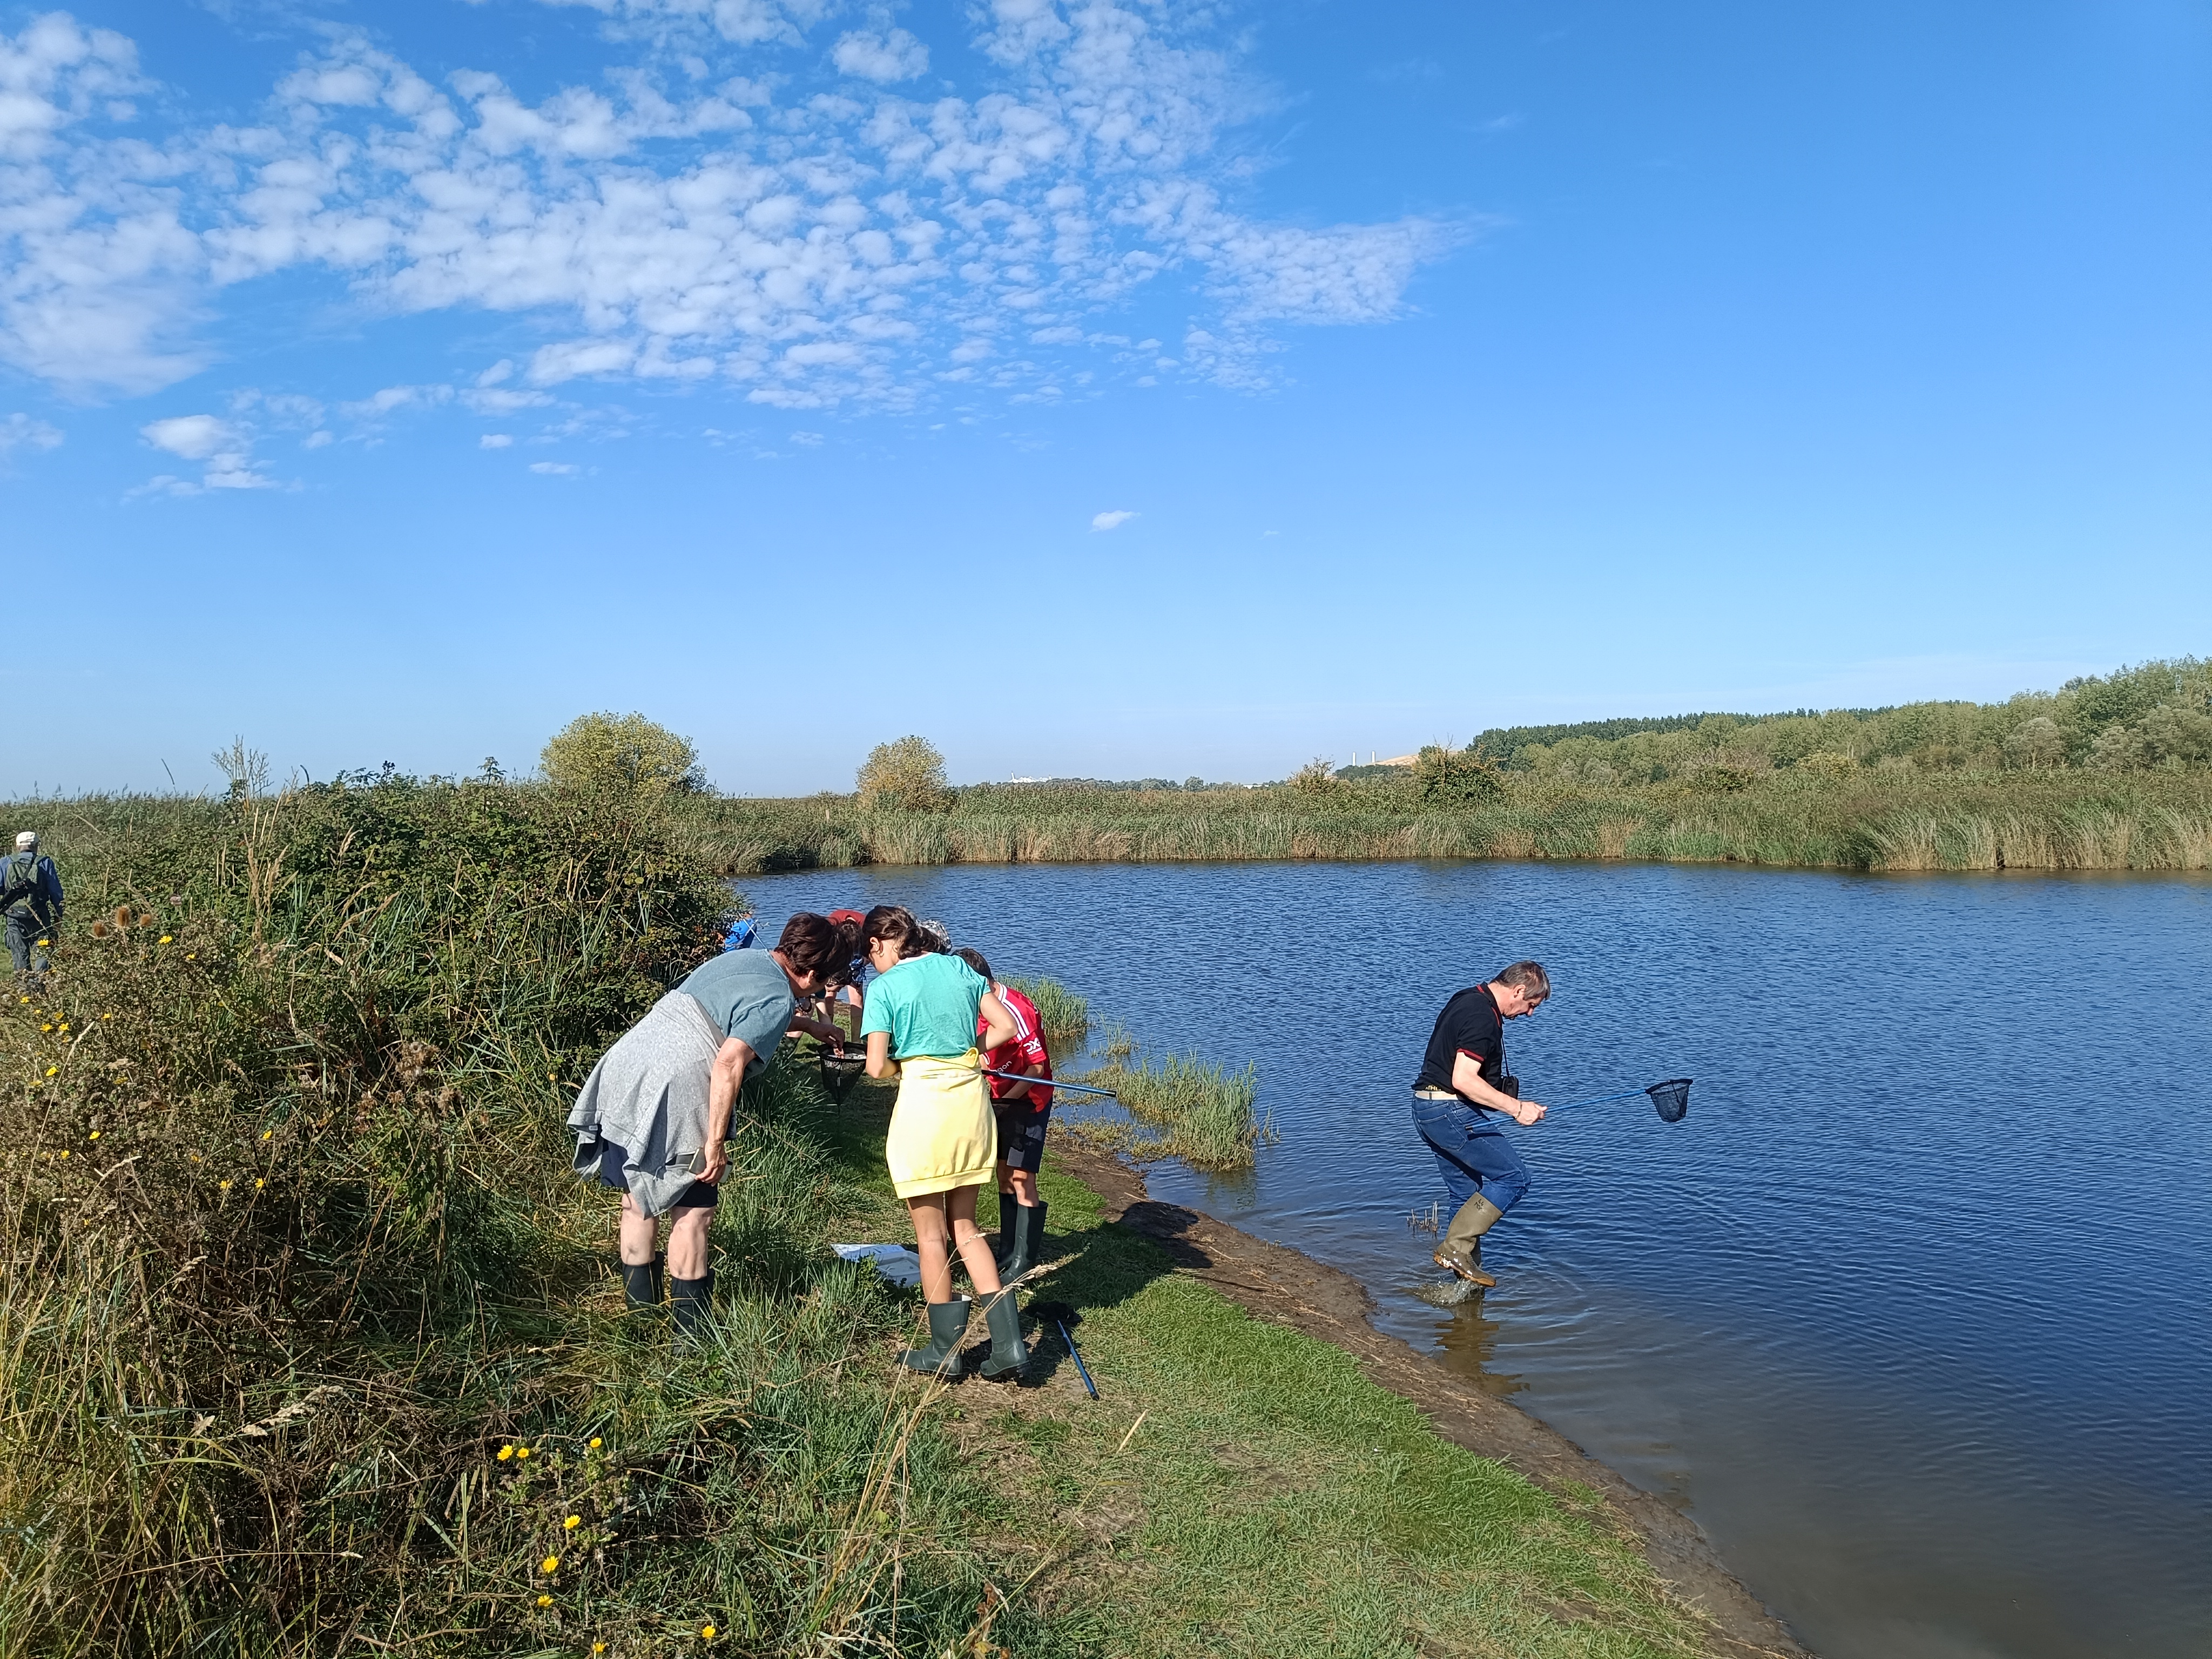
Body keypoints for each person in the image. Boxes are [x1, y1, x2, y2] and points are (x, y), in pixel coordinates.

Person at [568, 911, 857, 1336]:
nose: (820, 989)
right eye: (822, 982)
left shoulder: (743, 961)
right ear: (812, 972)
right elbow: (728, 1062)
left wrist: (807, 1024)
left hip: (625, 1071)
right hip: (676, 1088)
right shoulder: (778, 998)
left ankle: (640, 1327)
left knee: (636, 1200)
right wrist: (715, 1143)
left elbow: (731, 1011)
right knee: (693, 1214)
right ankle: (691, 1337)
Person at [860, 905, 1028, 1381]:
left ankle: (944, 1350)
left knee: (930, 1235)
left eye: (870, 954)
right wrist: (971, 1055)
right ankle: (1009, 1345)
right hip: (971, 1108)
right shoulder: (957, 966)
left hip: (925, 1110)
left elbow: (875, 1067)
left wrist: (903, 1065)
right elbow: (1007, 1027)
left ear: (878, 944)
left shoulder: (885, 988)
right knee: (967, 1228)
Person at [1412, 961, 1551, 1290]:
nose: (1530, 1014)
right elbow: (1463, 1079)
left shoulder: (1468, 997)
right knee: (1515, 1177)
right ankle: (1454, 1248)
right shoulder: (1482, 1018)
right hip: (1449, 1112)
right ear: (1518, 991)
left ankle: (1463, 1286)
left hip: (1427, 1108)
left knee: (1464, 1194)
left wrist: (1508, 1101)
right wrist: (1516, 1108)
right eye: (1531, 1005)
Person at [952, 947, 1055, 1279]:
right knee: (1002, 1174)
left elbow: (1037, 1068)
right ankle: (1006, 1251)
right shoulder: (972, 1006)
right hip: (998, 1097)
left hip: (1027, 1099)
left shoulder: (1018, 1009)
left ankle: (1024, 1261)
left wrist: (1007, 1101)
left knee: (1022, 1178)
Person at [3, 831, 63, 979]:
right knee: (43, 950)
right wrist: (59, 914)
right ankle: (41, 986)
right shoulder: (45, 862)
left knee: (19, 953)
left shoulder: (5, 862)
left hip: (14, 916)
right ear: (36, 846)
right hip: (40, 915)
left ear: (18, 846)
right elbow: (56, 892)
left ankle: (26, 990)